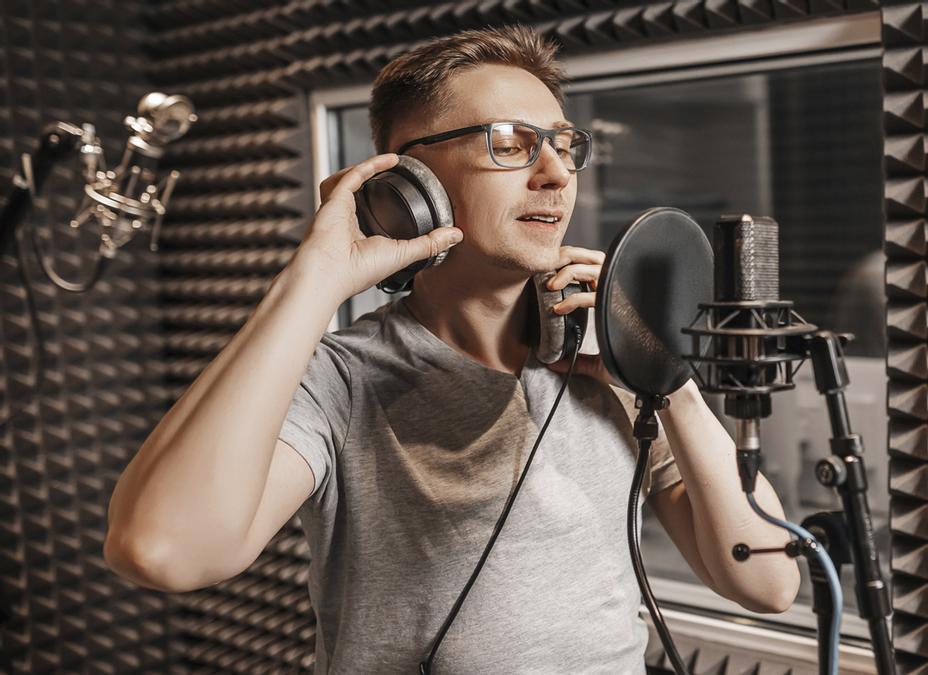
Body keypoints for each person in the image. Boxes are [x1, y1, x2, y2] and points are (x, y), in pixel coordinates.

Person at [104, 25, 800, 673]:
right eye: (511, 142)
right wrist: (311, 283)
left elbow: (769, 581)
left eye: (564, 143)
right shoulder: (341, 380)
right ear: (411, 182)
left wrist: (666, 375)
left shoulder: (618, 361)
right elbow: (164, 551)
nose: (556, 173)